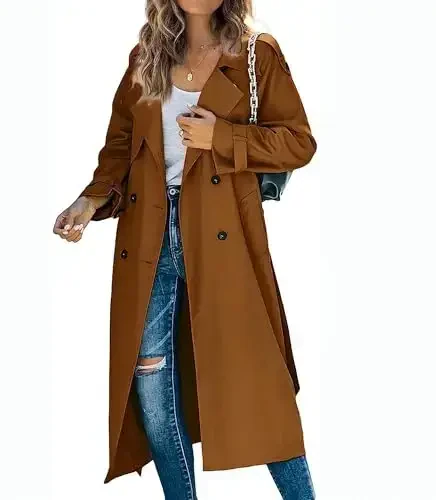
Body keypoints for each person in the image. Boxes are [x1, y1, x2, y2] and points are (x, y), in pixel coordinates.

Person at [53, 1, 317, 498]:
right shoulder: (146, 56)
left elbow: (299, 142)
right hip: (148, 239)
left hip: (225, 240)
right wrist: (89, 201)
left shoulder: (256, 53)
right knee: (151, 386)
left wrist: (223, 137)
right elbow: (121, 146)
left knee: (259, 387)